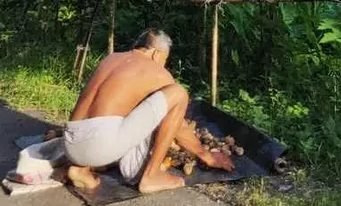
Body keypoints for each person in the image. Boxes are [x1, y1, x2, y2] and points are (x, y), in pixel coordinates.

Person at [63, 29, 233, 194]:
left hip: (71, 143)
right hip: (101, 146)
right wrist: (205, 155)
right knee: (178, 93)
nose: (164, 65)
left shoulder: (112, 58)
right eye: (164, 60)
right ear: (156, 54)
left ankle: (82, 170)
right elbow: (179, 126)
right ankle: (152, 175)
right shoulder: (157, 71)